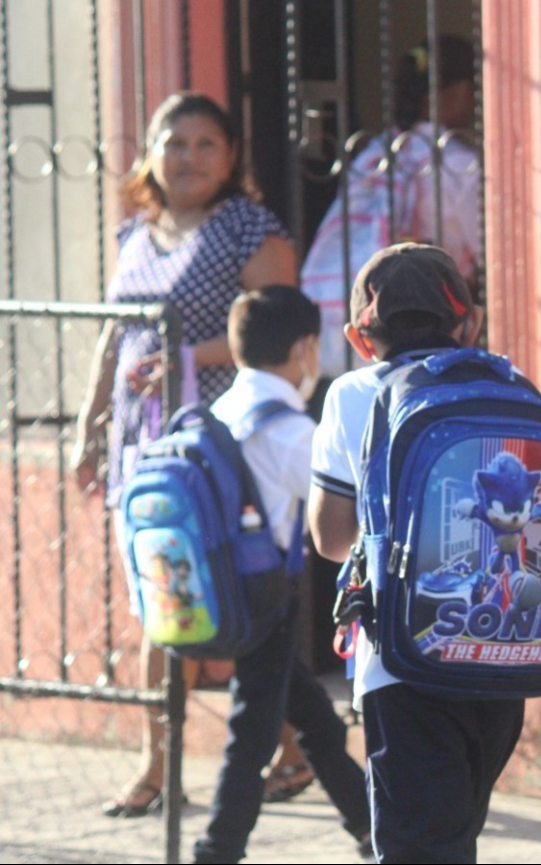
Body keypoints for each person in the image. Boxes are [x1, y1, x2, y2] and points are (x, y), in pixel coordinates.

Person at [69, 91, 298, 818]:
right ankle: (159, 765)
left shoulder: (247, 227)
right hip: (142, 445)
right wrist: (88, 424)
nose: (189, 157)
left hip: (216, 443)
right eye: (175, 142)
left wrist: (183, 356)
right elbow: (114, 335)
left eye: (206, 145)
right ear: (150, 154)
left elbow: (278, 324)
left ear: (230, 158)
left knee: (230, 601)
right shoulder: (133, 233)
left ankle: (294, 744)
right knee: (158, 598)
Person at [308, 243, 523, 863]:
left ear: (358, 336)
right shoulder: (509, 385)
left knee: (418, 847)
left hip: (404, 660)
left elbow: (331, 538)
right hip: (507, 647)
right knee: (455, 833)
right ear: (470, 322)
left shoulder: (354, 393)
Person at [193, 285, 370, 863]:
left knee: (316, 721)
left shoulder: (219, 412)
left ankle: (371, 829)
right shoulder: (291, 431)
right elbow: (342, 513)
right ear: (304, 348)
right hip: (265, 596)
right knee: (253, 736)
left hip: (226, 591)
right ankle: (216, 852)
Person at [301, 34, 482, 380]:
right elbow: (483, 247)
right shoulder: (458, 164)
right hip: (433, 321)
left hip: (368, 324)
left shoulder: (376, 155)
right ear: (460, 92)